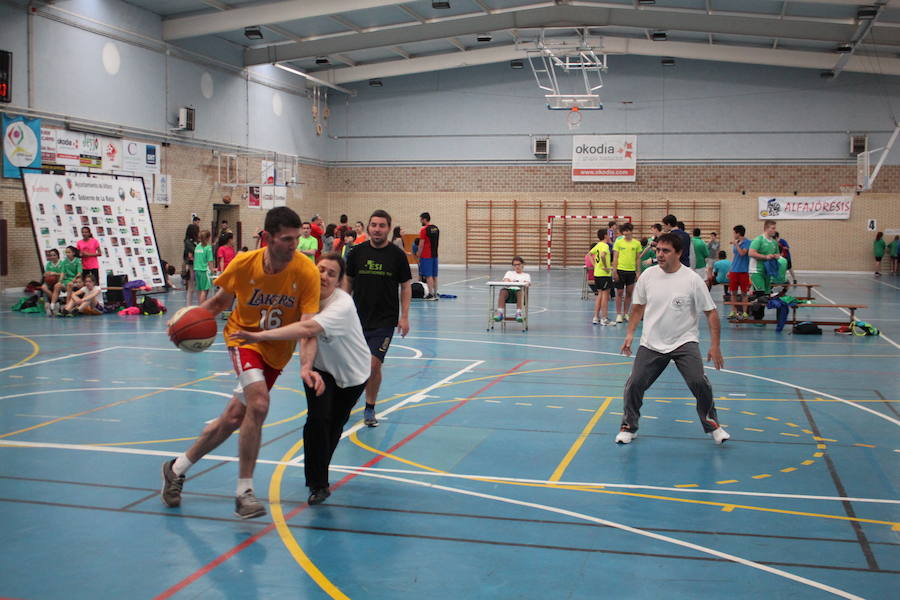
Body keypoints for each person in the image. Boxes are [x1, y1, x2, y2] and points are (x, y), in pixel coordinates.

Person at [160, 206, 321, 519]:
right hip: (243, 340)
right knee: (259, 404)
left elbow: (308, 327)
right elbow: (221, 301)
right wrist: (184, 320)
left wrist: (305, 365)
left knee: (234, 417)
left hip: (276, 351)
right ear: (268, 238)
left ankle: (176, 468)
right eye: (287, 239)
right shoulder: (244, 263)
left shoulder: (306, 271)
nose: (294, 245)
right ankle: (244, 492)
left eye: (296, 239)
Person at [231, 253, 369, 505]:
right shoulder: (305, 298)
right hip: (319, 369)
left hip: (354, 374)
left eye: (331, 273)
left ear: (338, 281)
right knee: (317, 420)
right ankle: (318, 484)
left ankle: (319, 471)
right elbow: (305, 333)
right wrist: (305, 366)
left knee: (334, 426)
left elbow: (308, 329)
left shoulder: (342, 304)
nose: (324, 276)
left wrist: (262, 336)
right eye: (321, 269)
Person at [616, 232, 728, 445]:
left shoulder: (692, 280)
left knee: (699, 382)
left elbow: (711, 313)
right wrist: (630, 334)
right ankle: (629, 426)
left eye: (665, 251)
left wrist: (715, 346)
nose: (659, 254)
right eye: (657, 250)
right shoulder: (648, 276)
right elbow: (637, 308)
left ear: (678, 253)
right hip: (651, 343)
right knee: (634, 383)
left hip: (684, 341)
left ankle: (713, 425)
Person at [344, 210, 412, 427]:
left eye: (382, 225)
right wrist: (341, 309)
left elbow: (406, 286)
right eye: (373, 225)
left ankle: (370, 407)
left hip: (384, 320)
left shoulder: (397, 255)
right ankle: (345, 405)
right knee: (353, 366)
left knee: (373, 365)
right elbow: (347, 281)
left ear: (388, 228)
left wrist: (405, 317)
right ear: (369, 227)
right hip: (356, 320)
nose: (377, 229)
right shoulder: (356, 252)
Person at [611, 222, 642, 324]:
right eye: (624, 231)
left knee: (629, 293)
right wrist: (614, 271)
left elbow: (638, 259)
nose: (626, 232)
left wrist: (638, 272)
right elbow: (615, 257)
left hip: (631, 271)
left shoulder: (636, 243)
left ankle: (626, 313)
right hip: (620, 270)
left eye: (627, 230)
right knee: (619, 293)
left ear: (631, 231)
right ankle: (619, 314)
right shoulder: (618, 242)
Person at [494, 256, 530, 323]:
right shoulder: (509, 273)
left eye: (518, 264)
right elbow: (506, 282)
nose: (517, 266)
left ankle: (518, 313)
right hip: (509, 293)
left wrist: (513, 281)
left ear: (522, 264)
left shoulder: (526, 275)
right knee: (503, 290)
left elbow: (527, 284)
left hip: (519, 294)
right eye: (515, 265)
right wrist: (515, 282)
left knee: (520, 291)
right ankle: (500, 313)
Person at [588, 228, 613, 325]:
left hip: (597, 274)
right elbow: (602, 256)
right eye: (608, 234)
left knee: (599, 295)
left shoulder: (598, 245)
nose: (609, 236)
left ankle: (595, 317)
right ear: (605, 236)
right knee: (605, 296)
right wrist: (606, 267)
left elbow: (590, 254)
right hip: (604, 274)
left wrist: (595, 265)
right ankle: (604, 319)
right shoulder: (605, 246)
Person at [748, 220, 780, 293]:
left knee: (767, 294)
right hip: (756, 271)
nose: (775, 230)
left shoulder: (774, 242)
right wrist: (766, 257)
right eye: (773, 228)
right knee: (761, 295)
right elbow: (751, 253)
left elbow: (778, 255)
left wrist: (775, 256)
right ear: (766, 228)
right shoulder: (758, 240)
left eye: (775, 228)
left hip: (768, 271)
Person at [727, 225, 751, 320]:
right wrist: (730, 269)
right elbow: (735, 256)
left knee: (744, 293)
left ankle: (745, 313)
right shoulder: (736, 243)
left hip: (743, 271)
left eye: (734, 232)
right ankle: (733, 311)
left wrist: (736, 244)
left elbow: (742, 253)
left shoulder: (748, 242)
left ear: (738, 233)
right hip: (734, 271)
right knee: (733, 292)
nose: (733, 234)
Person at [417, 212, 440, 300]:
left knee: (428, 275)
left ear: (424, 219)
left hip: (426, 256)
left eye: (421, 219)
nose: (420, 221)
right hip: (435, 255)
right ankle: (435, 293)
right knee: (434, 275)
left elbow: (421, 244)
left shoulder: (424, 230)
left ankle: (430, 295)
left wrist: (418, 255)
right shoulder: (436, 228)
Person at [41, 249, 66, 317]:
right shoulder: (48, 264)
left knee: (57, 287)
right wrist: (46, 274)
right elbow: (46, 274)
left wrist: (55, 274)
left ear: (58, 255)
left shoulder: (62, 263)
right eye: (51, 255)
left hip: (60, 281)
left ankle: (52, 303)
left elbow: (64, 274)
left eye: (54, 255)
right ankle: (57, 300)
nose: (52, 256)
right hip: (50, 282)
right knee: (43, 287)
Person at [193, 230, 215, 303]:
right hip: (204, 271)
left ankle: (200, 306)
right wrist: (212, 271)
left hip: (197, 270)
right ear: (208, 238)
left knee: (200, 290)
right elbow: (210, 261)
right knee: (204, 291)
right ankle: (202, 308)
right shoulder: (208, 248)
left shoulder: (197, 247)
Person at [183, 223, 199, 305]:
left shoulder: (197, 241)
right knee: (191, 286)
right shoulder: (188, 242)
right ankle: (188, 305)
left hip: (198, 264)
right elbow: (192, 251)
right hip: (191, 265)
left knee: (197, 287)